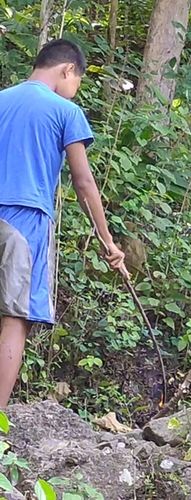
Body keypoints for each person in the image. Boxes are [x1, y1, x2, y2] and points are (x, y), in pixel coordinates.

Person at [0, 39, 126, 408]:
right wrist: (107, 241)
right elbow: (83, 181)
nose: (75, 91)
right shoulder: (65, 112)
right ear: (67, 70)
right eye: (78, 82)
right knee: (14, 318)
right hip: (25, 220)